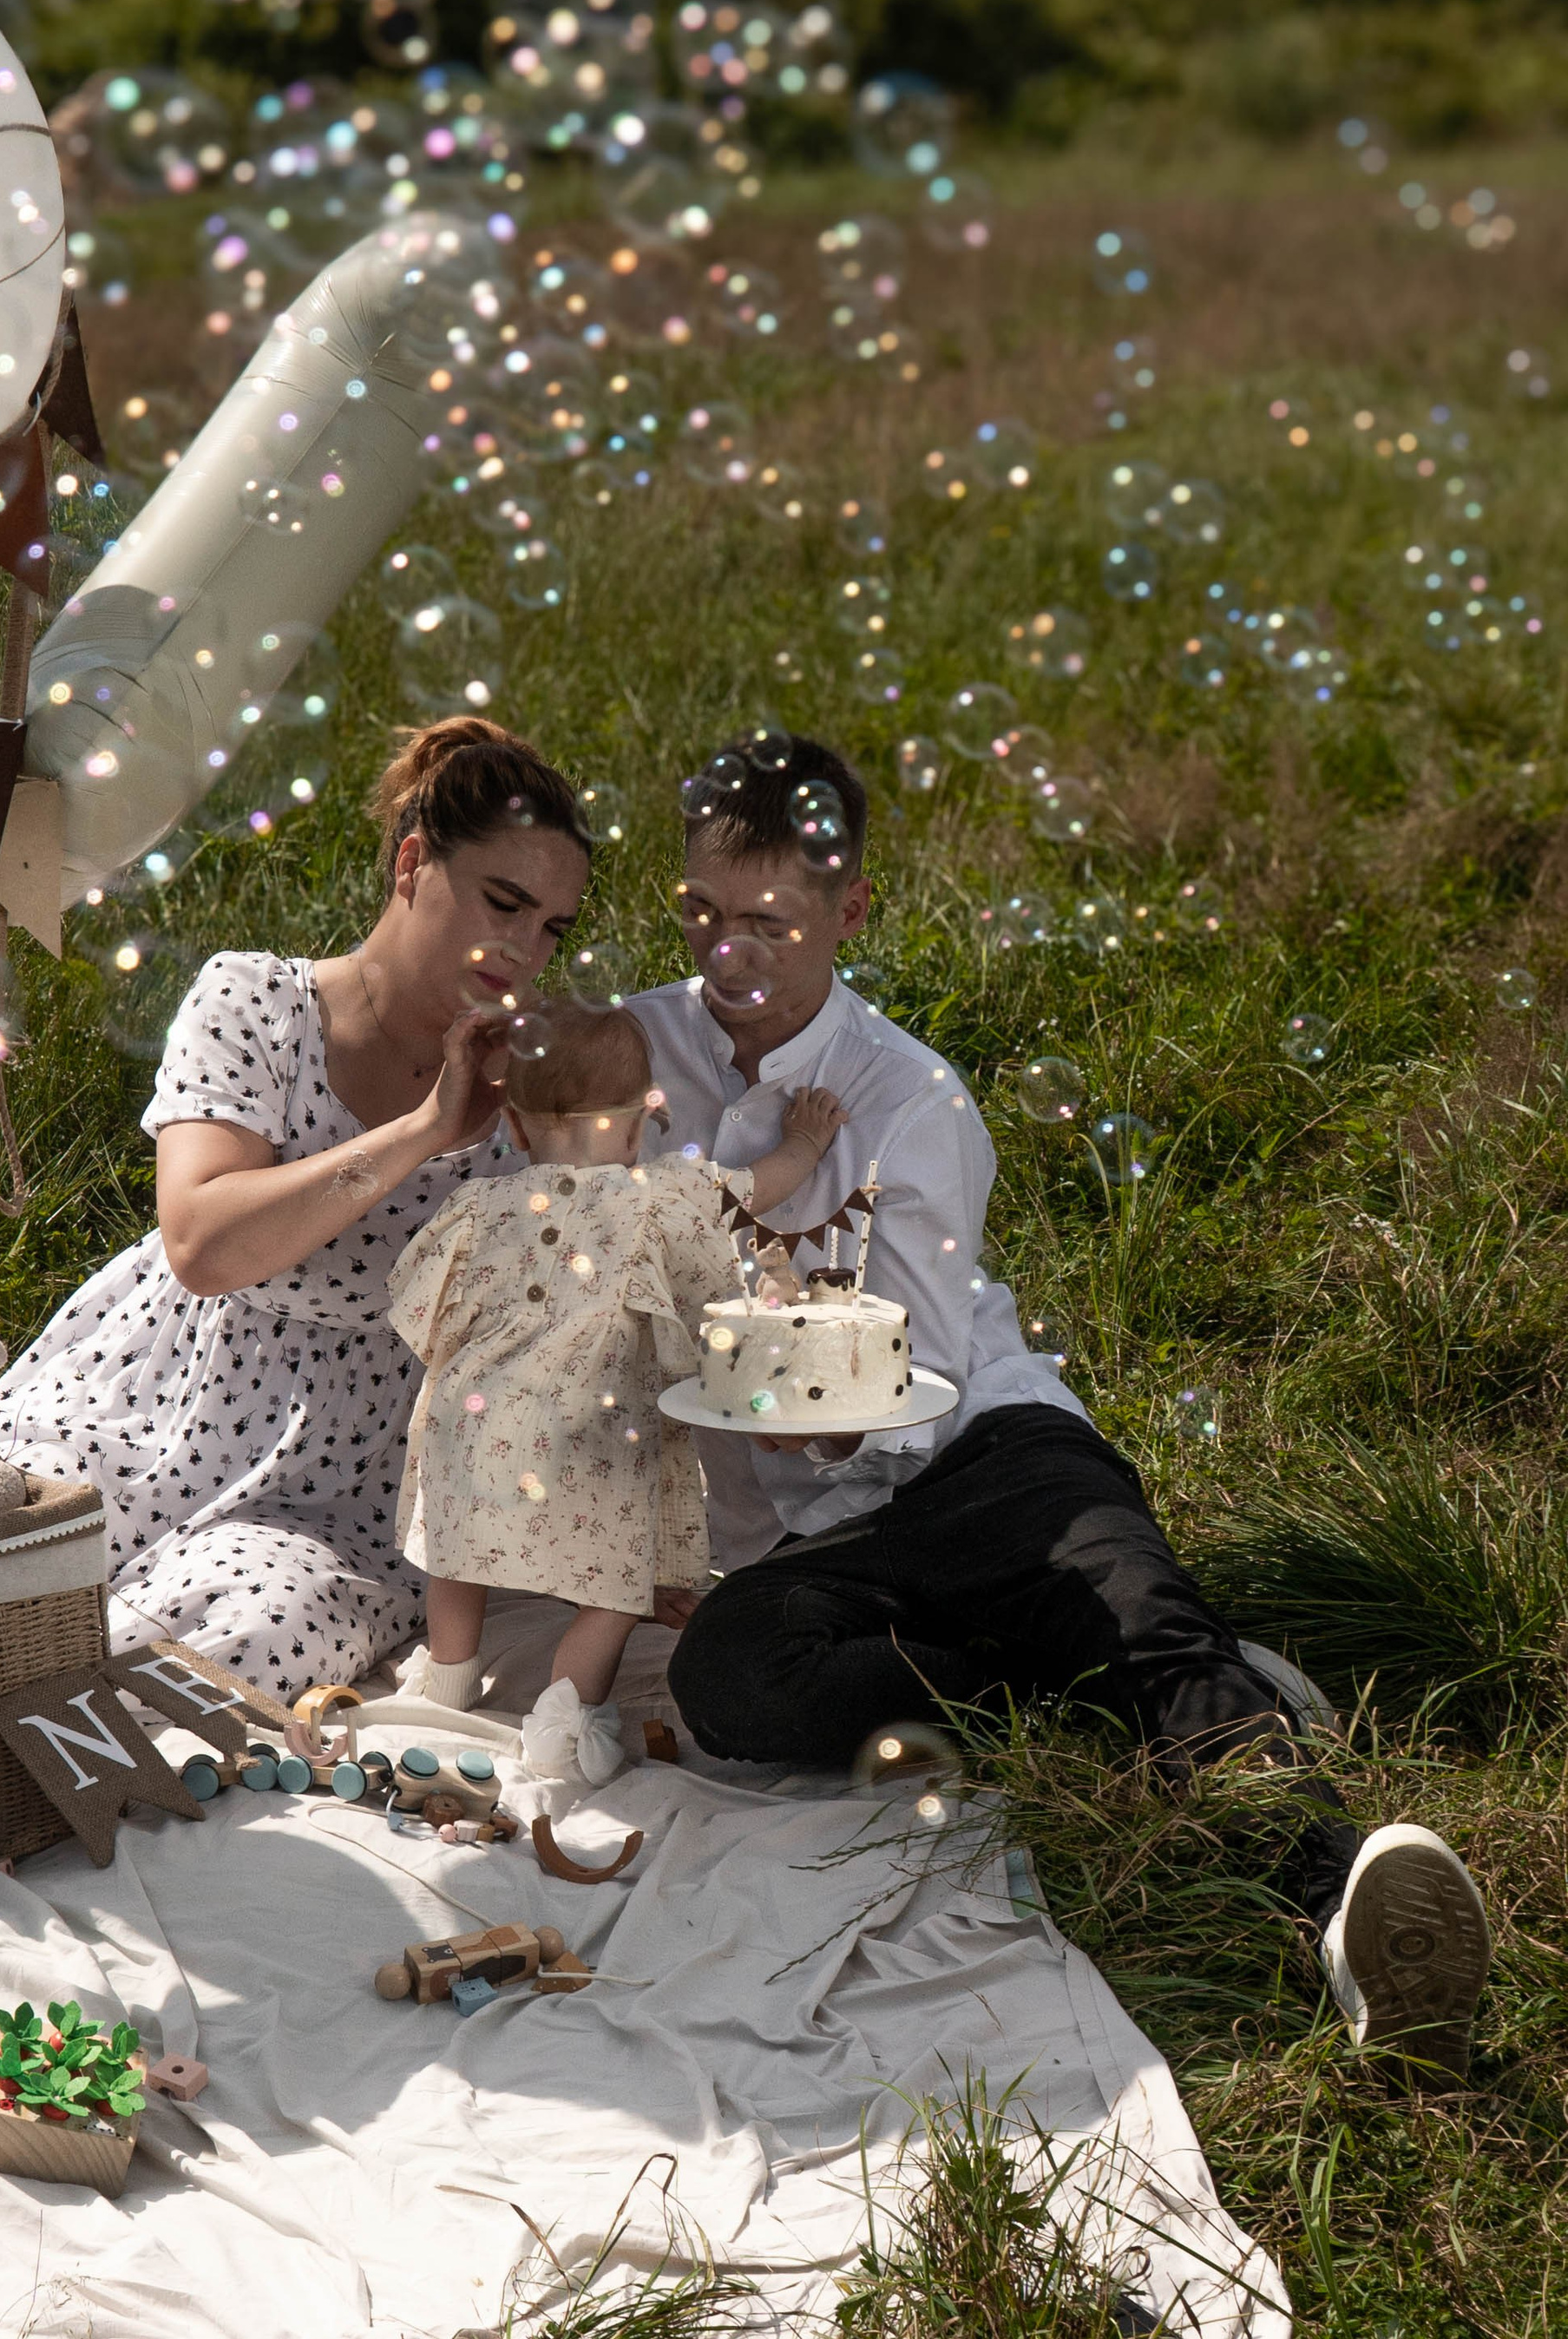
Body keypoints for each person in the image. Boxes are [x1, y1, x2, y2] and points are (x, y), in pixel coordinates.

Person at [636, 728, 1493, 2085]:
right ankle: (1071, 1680)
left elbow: (907, 1383)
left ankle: (1346, 1912)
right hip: (807, 1543)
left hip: (982, 1454)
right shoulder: (639, 1049)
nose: (727, 957)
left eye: (768, 922)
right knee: (725, 1679)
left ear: (850, 909)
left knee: (1139, 1612)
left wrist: (814, 1409)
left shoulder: (911, 1099)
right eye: (701, 915)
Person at [0, 717, 591, 1697]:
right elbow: (204, 1243)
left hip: (343, 1484)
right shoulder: (254, 1000)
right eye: (505, 902)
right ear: (412, 864)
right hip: (161, 1400)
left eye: (552, 927)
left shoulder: (527, 1085)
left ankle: (43, 1743)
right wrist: (420, 1133)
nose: (525, 948)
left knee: (251, 1640)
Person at [384, 995, 843, 1784]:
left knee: (455, 1554)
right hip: (596, 1435)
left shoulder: (477, 1205)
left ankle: (451, 1670)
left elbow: (416, 1307)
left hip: (474, 1422)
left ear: (517, 1129)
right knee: (611, 1581)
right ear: (636, 1127)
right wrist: (803, 1139)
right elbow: (760, 1189)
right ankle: (565, 1715)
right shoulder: (662, 1195)